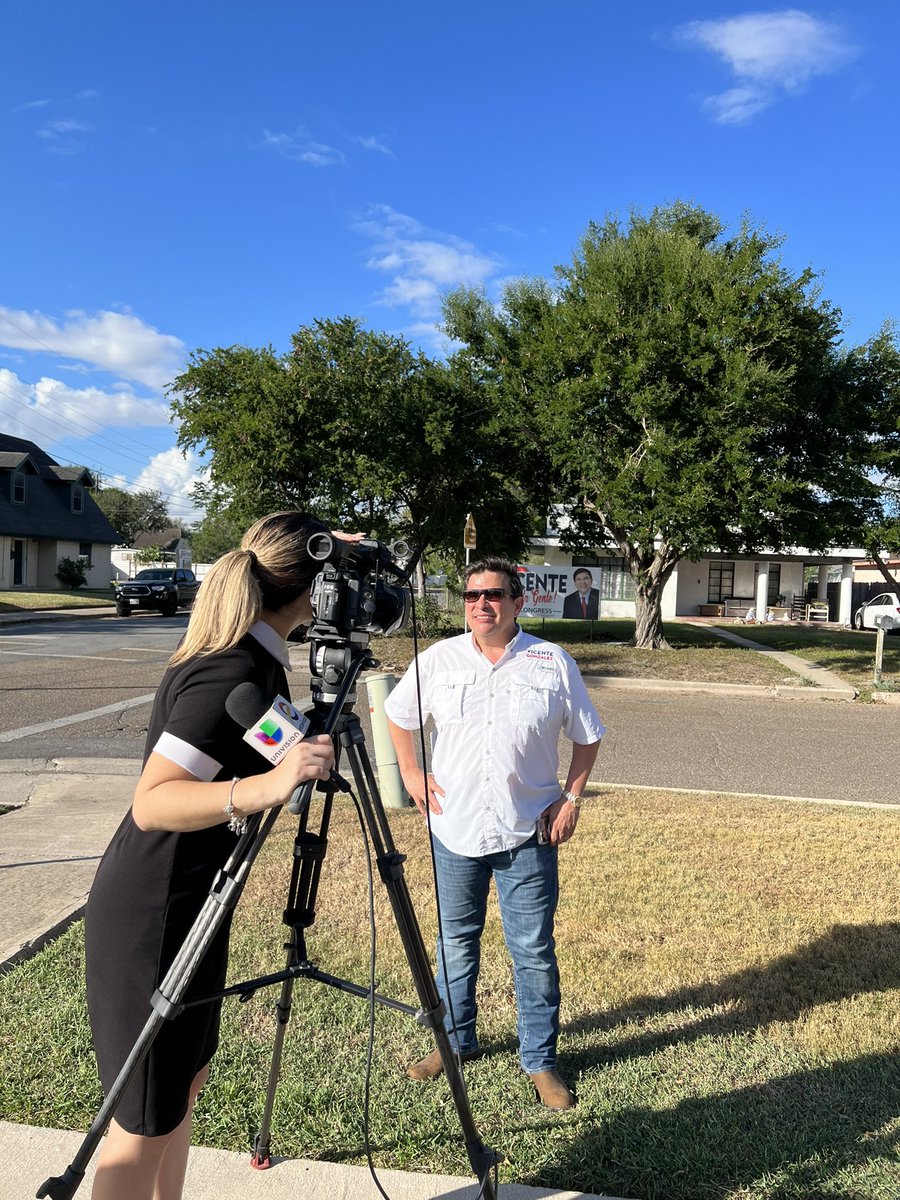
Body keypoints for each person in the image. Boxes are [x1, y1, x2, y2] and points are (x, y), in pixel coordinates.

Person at [84, 511, 338, 1200]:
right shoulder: (228, 667)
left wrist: (314, 738)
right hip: (152, 916)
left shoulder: (258, 665)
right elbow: (154, 801)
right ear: (309, 589)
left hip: (196, 907)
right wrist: (269, 784)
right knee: (138, 1123)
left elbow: (270, 744)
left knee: (182, 1088)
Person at [385, 556, 604, 1110]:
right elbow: (398, 714)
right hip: (452, 829)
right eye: (472, 595)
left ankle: (541, 1061)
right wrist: (411, 771)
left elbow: (588, 735)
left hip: (528, 830)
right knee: (455, 943)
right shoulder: (438, 659)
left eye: (494, 595)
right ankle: (453, 1043)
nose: (482, 604)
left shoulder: (550, 661)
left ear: (517, 601)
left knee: (531, 950)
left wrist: (571, 797)